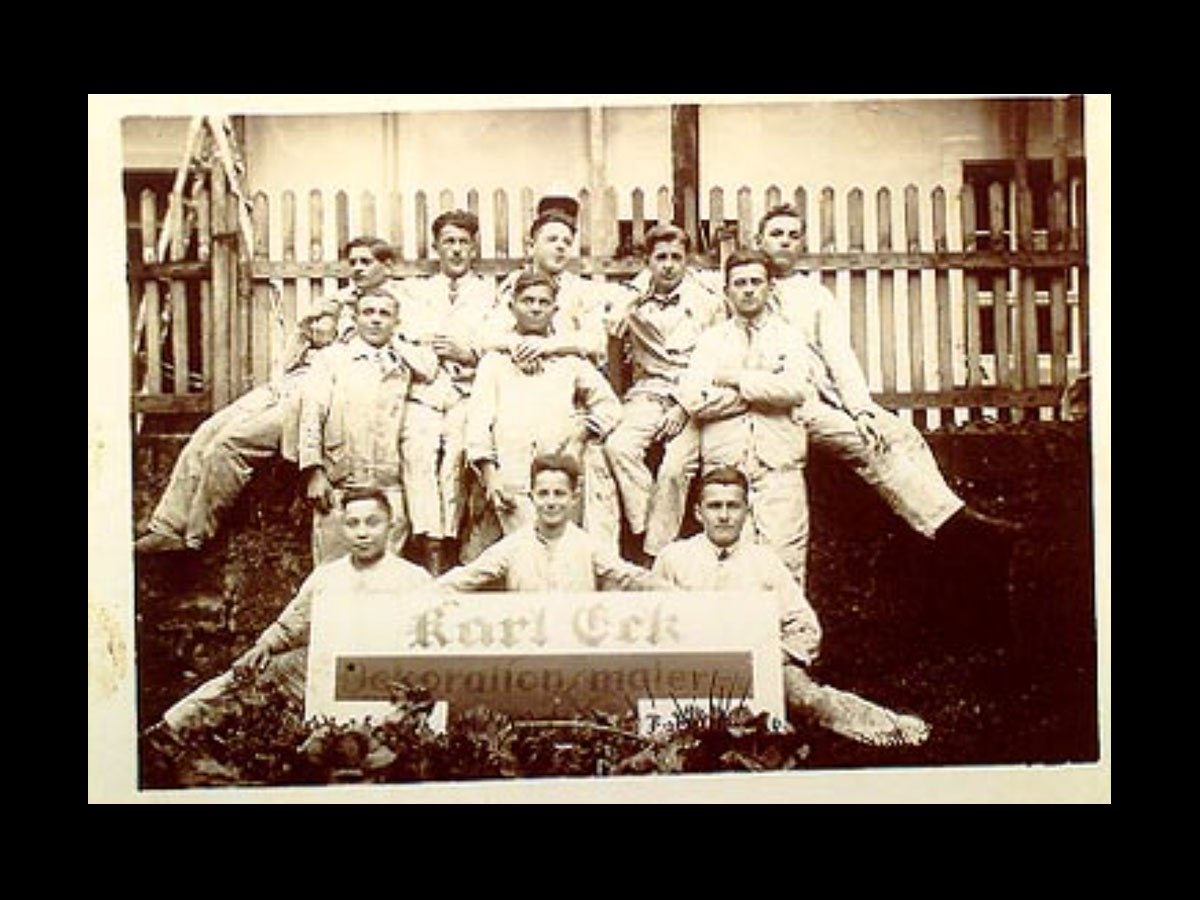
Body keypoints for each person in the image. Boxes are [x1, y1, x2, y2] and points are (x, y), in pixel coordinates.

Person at [755, 204, 1018, 552]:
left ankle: (950, 512)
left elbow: (839, 355)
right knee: (870, 444)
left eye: (793, 235)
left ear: (802, 244)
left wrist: (862, 409)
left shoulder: (814, 295)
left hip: (828, 394)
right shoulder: (745, 285)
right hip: (790, 402)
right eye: (776, 234)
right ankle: (949, 527)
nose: (785, 242)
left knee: (901, 433)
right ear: (758, 240)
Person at [142, 487, 435, 763]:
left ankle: (362, 743)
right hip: (322, 669)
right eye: (352, 524)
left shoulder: (412, 578)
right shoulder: (327, 577)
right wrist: (263, 646)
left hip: (382, 676)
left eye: (373, 523)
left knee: (394, 727)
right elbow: (292, 623)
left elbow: (431, 639)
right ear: (342, 528)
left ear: (391, 526)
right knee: (247, 673)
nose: (362, 533)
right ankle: (169, 732)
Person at [653, 467, 929, 747]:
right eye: (714, 506)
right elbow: (652, 623)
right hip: (691, 669)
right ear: (698, 512)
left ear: (746, 512)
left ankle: (887, 728)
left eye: (733, 506)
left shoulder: (764, 561)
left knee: (806, 696)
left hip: (757, 667)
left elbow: (805, 627)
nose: (724, 516)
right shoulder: (673, 559)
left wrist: (773, 657)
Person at [677, 249, 813, 584]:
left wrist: (736, 379)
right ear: (727, 291)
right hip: (725, 471)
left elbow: (795, 389)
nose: (748, 289)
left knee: (785, 570)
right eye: (739, 283)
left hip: (778, 468)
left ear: (770, 288)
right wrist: (762, 390)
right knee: (728, 573)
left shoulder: (790, 337)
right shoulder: (711, 341)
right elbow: (695, 400)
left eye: (756, 282)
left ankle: (782, 638)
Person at [464, 270, 622, 539]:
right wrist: (490, 474)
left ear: (554, 309)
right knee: (527, 547)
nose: (535, 308)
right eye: (528, 301)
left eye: (543, 302)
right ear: (512, 306)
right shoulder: (495, 361)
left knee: (566, 546)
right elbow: (479, 421)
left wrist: (582, 432)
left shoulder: (569, 360)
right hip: (512, 468)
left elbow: (610, 406)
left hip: (560, 469)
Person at [603, 224, 726, 563]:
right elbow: (611, 337)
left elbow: (715, 359)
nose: (669, 265)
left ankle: (654, 554)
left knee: (674, 468)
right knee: (618, 446)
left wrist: (684, 408)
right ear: (648, 262)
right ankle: (644, 525)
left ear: (687, 260)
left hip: (694, 397)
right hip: (649, 392)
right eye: (661, 258)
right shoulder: (630, 300)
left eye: (676, 257)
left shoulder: (708, 302)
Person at [297, 287, 438, 563]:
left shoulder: (402, 363)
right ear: (355, 318)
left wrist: (398, 344)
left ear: (396, 323)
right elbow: (311, 414)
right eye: (368, 312)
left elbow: (430, 369)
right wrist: (314, 470)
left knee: (383, 579)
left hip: (389, 487)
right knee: (334, 576)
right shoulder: (333, 359)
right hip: (342, 485)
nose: (375, 320)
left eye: (384, 314)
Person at [395, 210, 502, 574]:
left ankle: (452, 542)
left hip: (467, 390)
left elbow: (495, 341)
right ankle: (430, 545)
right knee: (418, 452)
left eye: (463, 243)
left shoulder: (490, 294)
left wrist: (467, 351)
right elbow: (410, 336)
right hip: (426, 388)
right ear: (437, 247)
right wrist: (430, 351)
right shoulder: (417, 293)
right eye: (449, 242)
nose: (456, 250)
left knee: (457, 454)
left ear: (474, 249)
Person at [437, 454, 662, 592]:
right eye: (543, 494)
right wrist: (417, 599)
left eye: (559, 494)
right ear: (532, 496)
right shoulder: (513, 547)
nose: (551, 502)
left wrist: (684, 600)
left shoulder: (588, 547)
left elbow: (630, 576)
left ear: (574, 498)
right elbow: (466, 577)